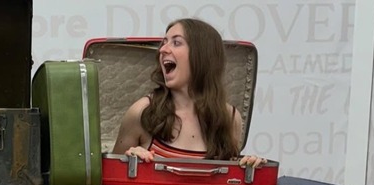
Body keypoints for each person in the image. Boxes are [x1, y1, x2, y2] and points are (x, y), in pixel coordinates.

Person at [112, 18, 266, 168]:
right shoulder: (142, 112)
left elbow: (226, 182)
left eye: (176, 42)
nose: (162, 49)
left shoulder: (231, 118)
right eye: (164, 43)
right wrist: (129, 160)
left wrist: (247, 165)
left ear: (202, 56)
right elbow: (109, 183)